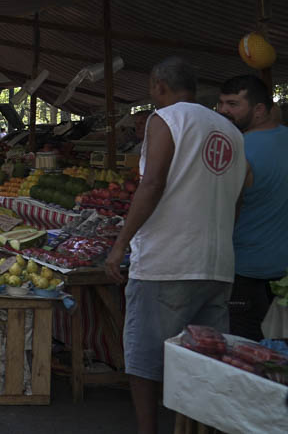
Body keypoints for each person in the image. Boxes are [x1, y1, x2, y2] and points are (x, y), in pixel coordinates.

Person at [103, 57, 245, 434]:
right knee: (204, 360)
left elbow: (151, 185)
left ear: (157, 86)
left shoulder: (165, 119)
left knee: (145, 358)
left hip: (168, 261)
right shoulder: (229, 129)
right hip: (216, 264)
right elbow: (241, 192)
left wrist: (121, 244)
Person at [216, 74, 288, 341]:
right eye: (222, 103)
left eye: (233, 104)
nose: (224, 111)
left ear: (259, 109)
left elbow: (224, 209)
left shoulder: (238, 149)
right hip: (282, 274)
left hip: (245, 272)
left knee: (244, 354)